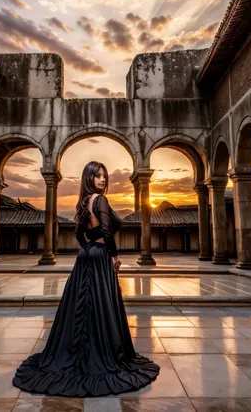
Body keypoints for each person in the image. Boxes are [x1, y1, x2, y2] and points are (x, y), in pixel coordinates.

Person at [12, 161, 160, 397]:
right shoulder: (100, 200)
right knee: (101, 305)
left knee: (83, 306)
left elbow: (77, 232)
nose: (102, 180)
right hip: (100, 257)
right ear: (89, 178)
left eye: (104, 176)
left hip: (85, 257)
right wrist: (113, 256)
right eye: (97, 176)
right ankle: (100, 354)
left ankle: (80, 352)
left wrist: (87, 247)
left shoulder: (83, 202)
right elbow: (107, 229)